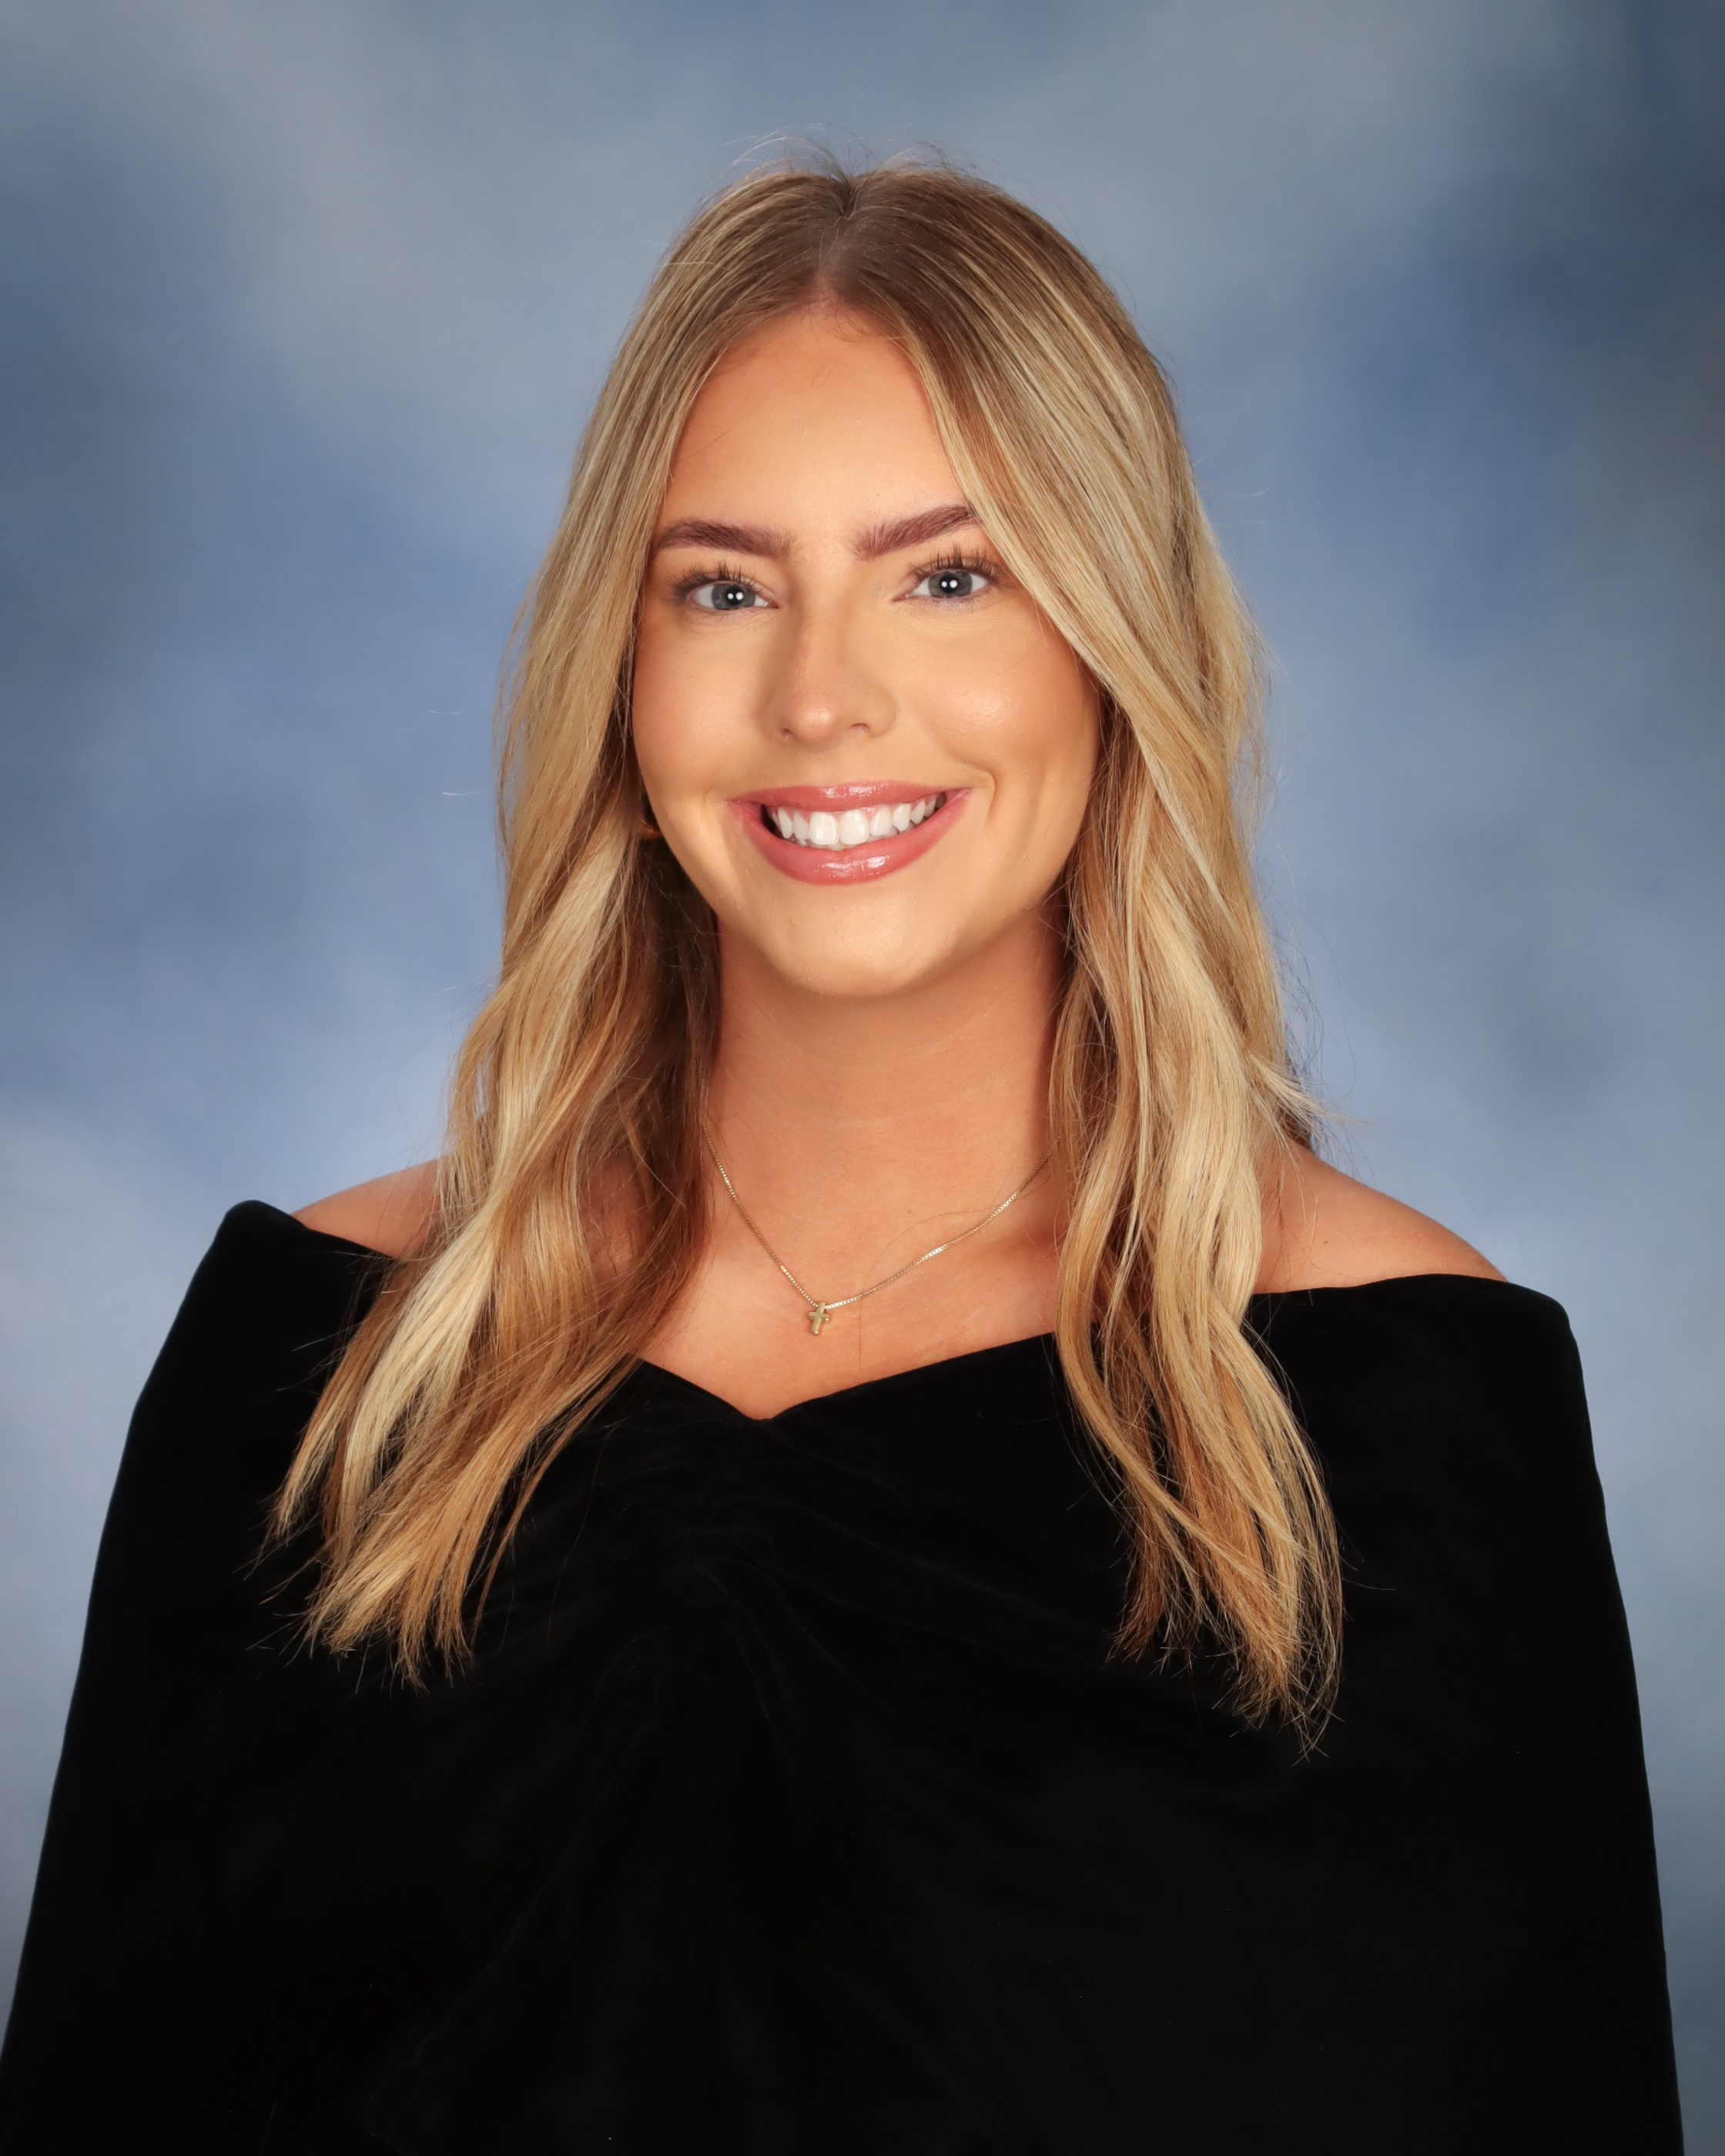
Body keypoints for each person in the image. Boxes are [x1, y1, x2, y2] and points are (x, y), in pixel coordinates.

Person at [0, 156, 1683, 2154]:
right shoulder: (316, 1360)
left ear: (1112, 641)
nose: (820, 699)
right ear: (622, 670)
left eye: (947, 577)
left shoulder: (1406, 1406)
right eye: (724, 588)